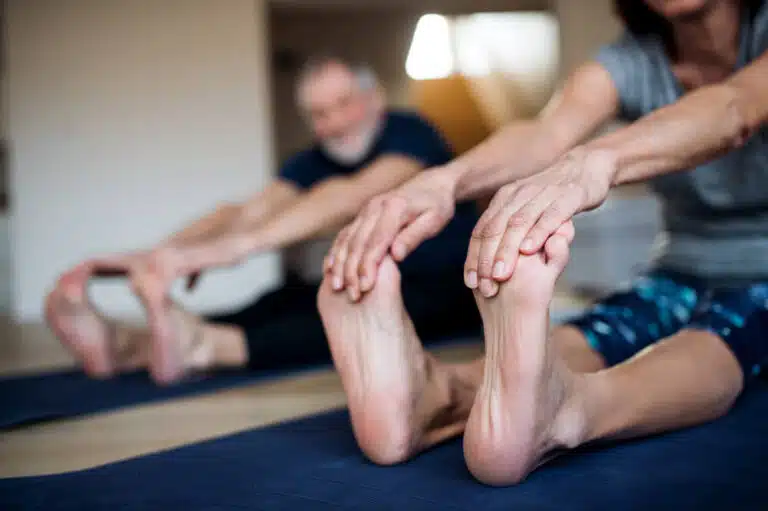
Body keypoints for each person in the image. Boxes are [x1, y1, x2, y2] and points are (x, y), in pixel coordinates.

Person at [322, 0, 768, 486]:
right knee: (610, 323)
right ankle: (436, 395)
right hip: (678, 268)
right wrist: (444, 182)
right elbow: (545, 133)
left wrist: (596, 161)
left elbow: (734, 108)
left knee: (724, 335)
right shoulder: (630, 60)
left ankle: (571, 410)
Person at [45, 56, 481, 385]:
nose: (332, 123)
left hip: (444, 288)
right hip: (361, 279)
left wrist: (235, 249)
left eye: (343, 104)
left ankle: (202, 345)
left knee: (338, 317)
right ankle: (126, 346)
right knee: (277, 301)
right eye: (319, 113)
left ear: (375, 99)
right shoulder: (314, 159)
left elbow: (349, 196)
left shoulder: (410, 133)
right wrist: (160, 254)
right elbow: (246, 211)